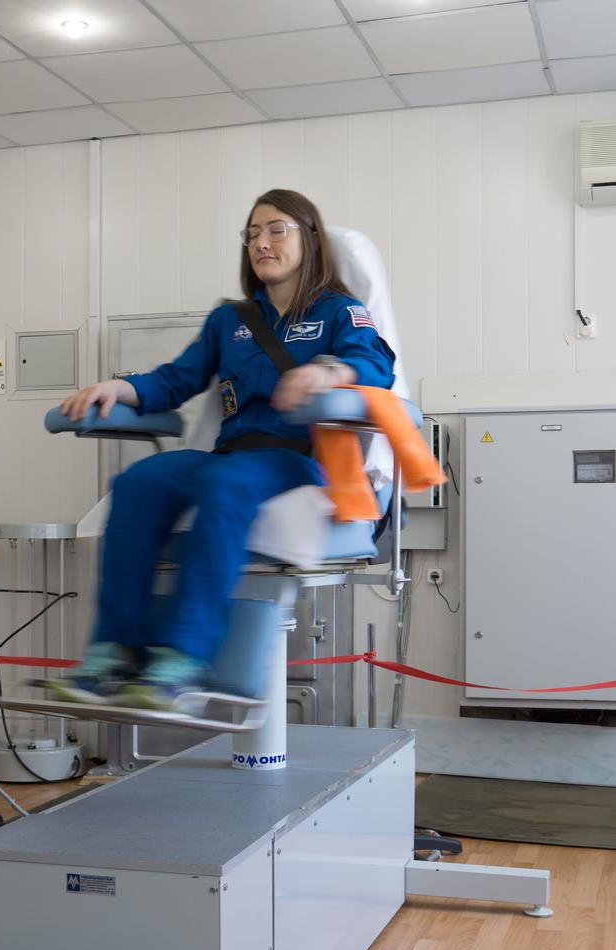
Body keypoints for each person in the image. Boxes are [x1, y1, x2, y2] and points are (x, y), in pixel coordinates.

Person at [50, 188, 396, 712]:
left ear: (310, 238)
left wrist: (328, 372)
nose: (261, 243)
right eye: (252, 234)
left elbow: (376, 368)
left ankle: (184, 656)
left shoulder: (340, 311)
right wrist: (119, 388)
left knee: (223, 482)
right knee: (138, 482)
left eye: (276, 230)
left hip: (298, 457)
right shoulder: (230, 320)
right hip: (232, 454)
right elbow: (176, 379)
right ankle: (115, 651)